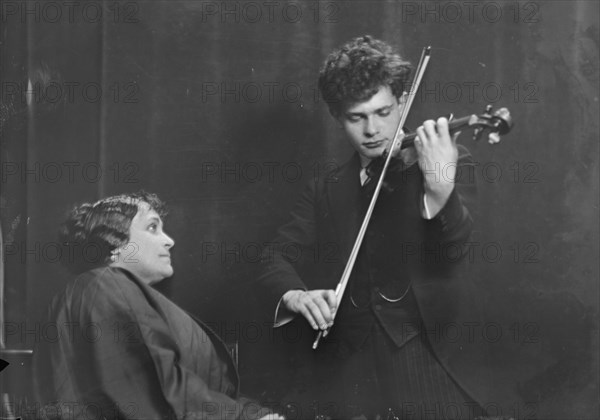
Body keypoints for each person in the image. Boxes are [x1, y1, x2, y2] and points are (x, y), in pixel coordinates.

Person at [258, 36, 490, 419]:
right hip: (348, 365)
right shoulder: (326, 188)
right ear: (337, 118)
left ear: (402, 102)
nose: (372, 130)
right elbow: (274, 257)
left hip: (426, 356)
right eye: (357, 117)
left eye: (383, 112)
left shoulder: (447, 160)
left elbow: (454, 249)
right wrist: (296, 296)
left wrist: (439, 185)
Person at [34, 191, 284, 420]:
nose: (169, 241)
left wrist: (255, 413)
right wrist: (245, 416)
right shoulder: (104, 285)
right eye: (152, 227)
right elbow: (159, 387)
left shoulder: (107, 289)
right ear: (114, 244)